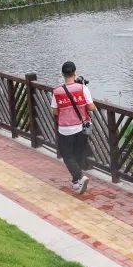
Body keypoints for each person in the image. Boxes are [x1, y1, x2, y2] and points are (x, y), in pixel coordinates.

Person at [49, 61, 95, 193]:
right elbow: (91, 107)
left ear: (63, 74)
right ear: (75, 73)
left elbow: (55, 111)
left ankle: (79, 178)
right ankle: (77, 181)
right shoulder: (82, 88)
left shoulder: (57, 91)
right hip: (81, 127)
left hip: (65, 129)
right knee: (78, 154)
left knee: (67, 155)